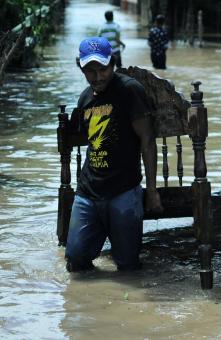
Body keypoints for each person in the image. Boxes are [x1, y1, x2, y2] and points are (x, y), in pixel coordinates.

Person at [65, 37, 163, 272]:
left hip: (124, 190)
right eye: (90, 70)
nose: (98, 77)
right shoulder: (85, 98)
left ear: (113, 64)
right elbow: (85, 138)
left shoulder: (129, 90)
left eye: (103, 69)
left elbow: (148, 141)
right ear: (81, 66)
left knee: (128, 266)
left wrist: (151, 192)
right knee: (75, 262)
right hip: (88, 191)